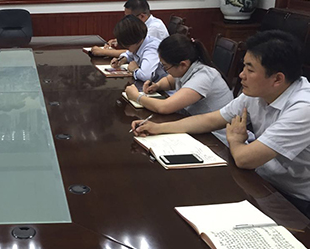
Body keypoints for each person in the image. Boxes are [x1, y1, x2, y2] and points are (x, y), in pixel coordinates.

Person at [132, 30, 310, 217]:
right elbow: (210, 120)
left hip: (294, 198)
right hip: (260, 180)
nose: (241, 75)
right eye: (243, 67)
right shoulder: (257, 93)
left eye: (250, 70)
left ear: (277, 79)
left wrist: (235, 140)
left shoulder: (303, 108)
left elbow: (245, 159)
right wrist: (158, 128)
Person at [124, 34, 233, 115]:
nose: (165, 71)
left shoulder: (203, 77)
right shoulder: (189, 68)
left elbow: (164, 107)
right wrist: (157, 86)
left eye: (165, 67)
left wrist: (137, 97)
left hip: (214, 135)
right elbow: (169, 81)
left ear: (182, 64)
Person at [91, 0, 169, 58]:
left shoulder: (154, 28)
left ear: (142, 16)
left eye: (129, 17)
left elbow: (135, 51)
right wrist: (120, 41)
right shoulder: (141, 26)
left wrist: (103, 52)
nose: (127, 20)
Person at [109, 15, 166, 82]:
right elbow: (129, 54)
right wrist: (122, 59)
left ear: (132, 40)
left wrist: (134, 70)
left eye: (127, 46)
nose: (126, 48)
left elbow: (146, 76)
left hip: (163, 86)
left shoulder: (151, 49)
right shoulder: (139, 43)